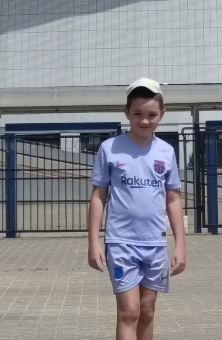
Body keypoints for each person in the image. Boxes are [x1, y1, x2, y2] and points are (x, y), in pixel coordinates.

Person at [88, 77, 186, 340]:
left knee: (147, 309)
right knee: (129, 312)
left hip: (154, 242)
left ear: (162, 114)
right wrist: (93, 242)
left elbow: (173, 199)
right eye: (138, 114)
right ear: (126, 112)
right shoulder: (110, 149)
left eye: (152, 115)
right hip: (120, 242)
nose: (145, 121)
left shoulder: (166, 152)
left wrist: (180, 245)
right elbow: (98, 195)